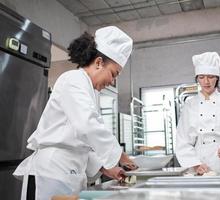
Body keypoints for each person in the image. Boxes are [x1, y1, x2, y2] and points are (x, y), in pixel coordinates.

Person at [13, 26, 137, 199]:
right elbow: (87, 124)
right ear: (99, 62)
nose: (112, 81)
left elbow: (80, 140)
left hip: (70, 174)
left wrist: (106, 168)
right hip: (51, 173)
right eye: (113, 73)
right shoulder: (73, 79)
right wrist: (120, 156)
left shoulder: (90, 90)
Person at [175, 52, 220, 175]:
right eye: (201, 77)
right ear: (197, 79)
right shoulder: (190, 104)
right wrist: (195, 163)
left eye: (210, 76)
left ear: (217, 78)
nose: (206, 81)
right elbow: (182, 140)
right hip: (199, 165)